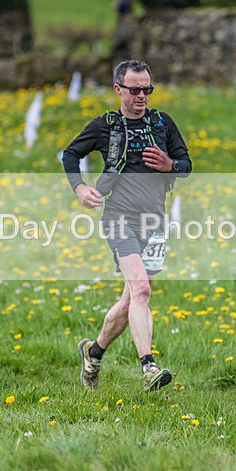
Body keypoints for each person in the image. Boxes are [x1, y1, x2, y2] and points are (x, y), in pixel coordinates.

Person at [62, 60, 192, 391]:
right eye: (134, 90)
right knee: (143, 290)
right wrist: (79, 188)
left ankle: (93, 354)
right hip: (119, 219)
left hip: (155, 222)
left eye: (147, 89)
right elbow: (70, 154)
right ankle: (149, 368)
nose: (142, 96)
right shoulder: (104, 125)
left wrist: (169, 164)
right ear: (118, 89)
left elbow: (186, 165)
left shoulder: (163, 123)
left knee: (129, 301)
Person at [110, 0, 134, 68]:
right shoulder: (124, 19)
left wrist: (113, 48)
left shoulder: (126, 20)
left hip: (123, 56)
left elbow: (122, 36)